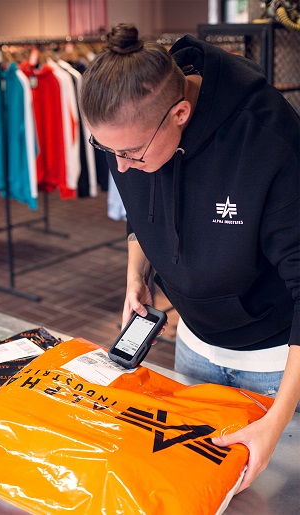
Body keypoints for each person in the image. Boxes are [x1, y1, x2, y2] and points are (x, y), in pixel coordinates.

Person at [78, 23, 300, 493]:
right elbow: (142, 212)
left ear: (179, 113)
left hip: (276, 362)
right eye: (107, 150)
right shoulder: (130, 132)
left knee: (271, 493)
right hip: (194, 345)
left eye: (130, 153)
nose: (121, 166)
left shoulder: (268, 139)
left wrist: (277, 420)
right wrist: (136, 275)